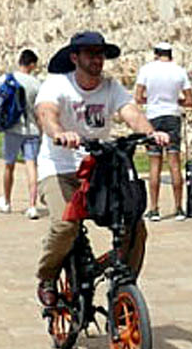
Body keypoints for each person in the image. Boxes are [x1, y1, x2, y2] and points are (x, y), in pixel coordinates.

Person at [33, 32, 169, 307]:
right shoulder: (57, 84)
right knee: (65, 225)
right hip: (60, 168)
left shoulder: (110, 87)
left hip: (98, 168)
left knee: (134, 226)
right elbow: (46, 113)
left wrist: (151, 133)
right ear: (75, 57)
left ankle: (124, 287)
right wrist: (60, 134)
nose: (98, 59)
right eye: (91, 53)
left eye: (100, 53)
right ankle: (47, 276)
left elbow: (131, 113)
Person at [133, 41, 192, 221]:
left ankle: (154, 209)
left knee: (155, 164)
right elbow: (190, 100)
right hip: (173, 117)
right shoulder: (179, 71)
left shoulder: (147, 70)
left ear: (156, 54)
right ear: (170, 54)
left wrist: (152, 101)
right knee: (174, 162)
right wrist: (175, 102)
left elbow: (138, 97)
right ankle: (178, 208)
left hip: (153, 117)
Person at [0, 49, 44, 218]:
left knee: (9, 165)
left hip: (12, 129)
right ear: (32, 64)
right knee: (31, 166)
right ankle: (32, 206)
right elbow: (40, 111)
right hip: (32, 130)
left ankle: (6, 201)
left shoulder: (6, 79)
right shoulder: (37, 84)